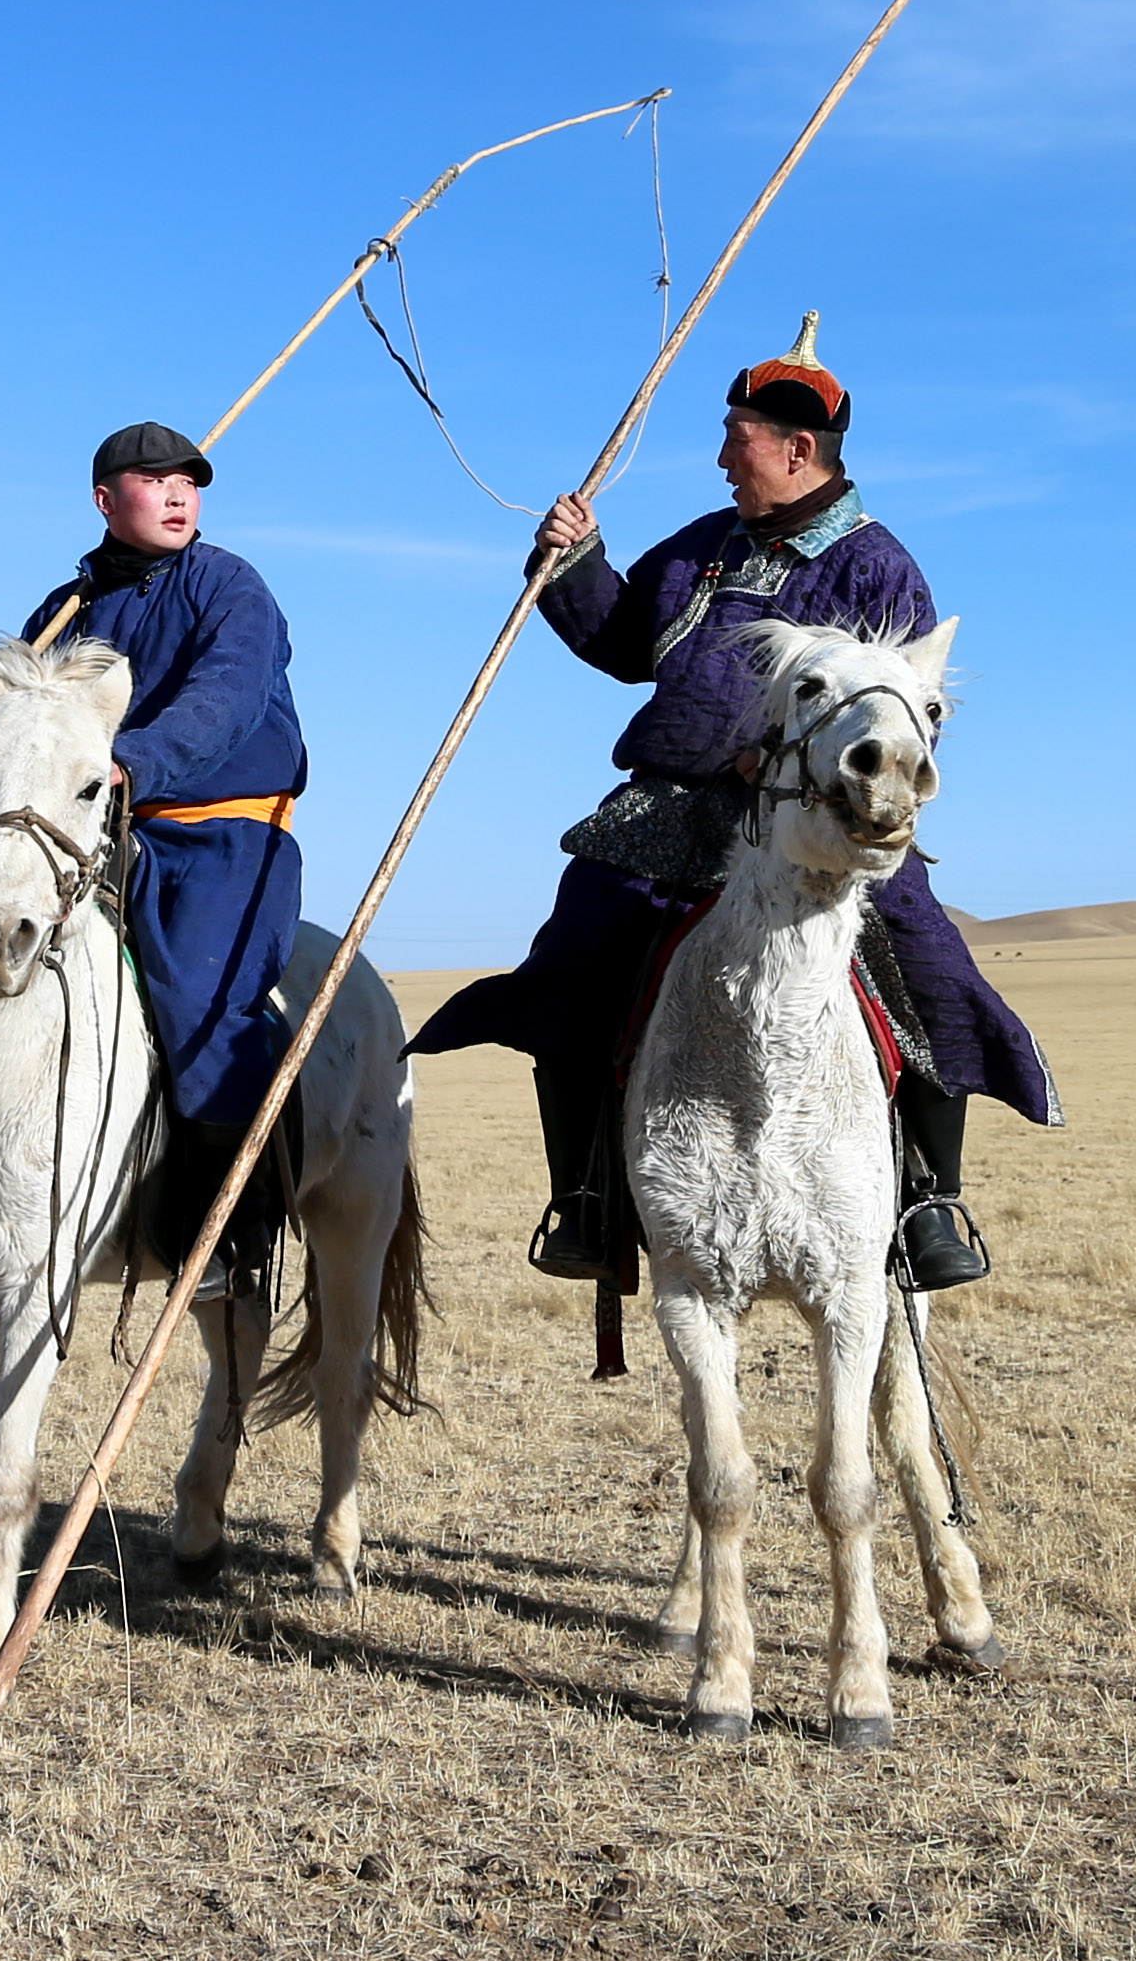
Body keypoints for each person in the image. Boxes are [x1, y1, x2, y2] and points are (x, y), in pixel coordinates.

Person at [409, 322, 1053, 1295]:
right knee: (573, 950)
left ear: (798, 450)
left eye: (735, 438)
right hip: (668, 803)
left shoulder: (874, 566)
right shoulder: (707, 548)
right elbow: (625, 641)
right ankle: (586, 1194)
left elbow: (907, 712)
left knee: (925, 958)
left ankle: (926, 1202)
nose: (719, 459)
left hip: (812, 817)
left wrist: (818, 785)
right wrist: (577, 562)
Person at [0, 421, 313, 1298]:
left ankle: (223, 1226)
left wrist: (135, 762)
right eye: (156, 480)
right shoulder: (70, 604)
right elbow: (18, 699)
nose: (177, 495)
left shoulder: (231, 588)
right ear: (104, 500)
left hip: (221, 832)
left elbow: (227, 701)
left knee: (202, 997)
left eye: (189, 483)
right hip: (94, 829)